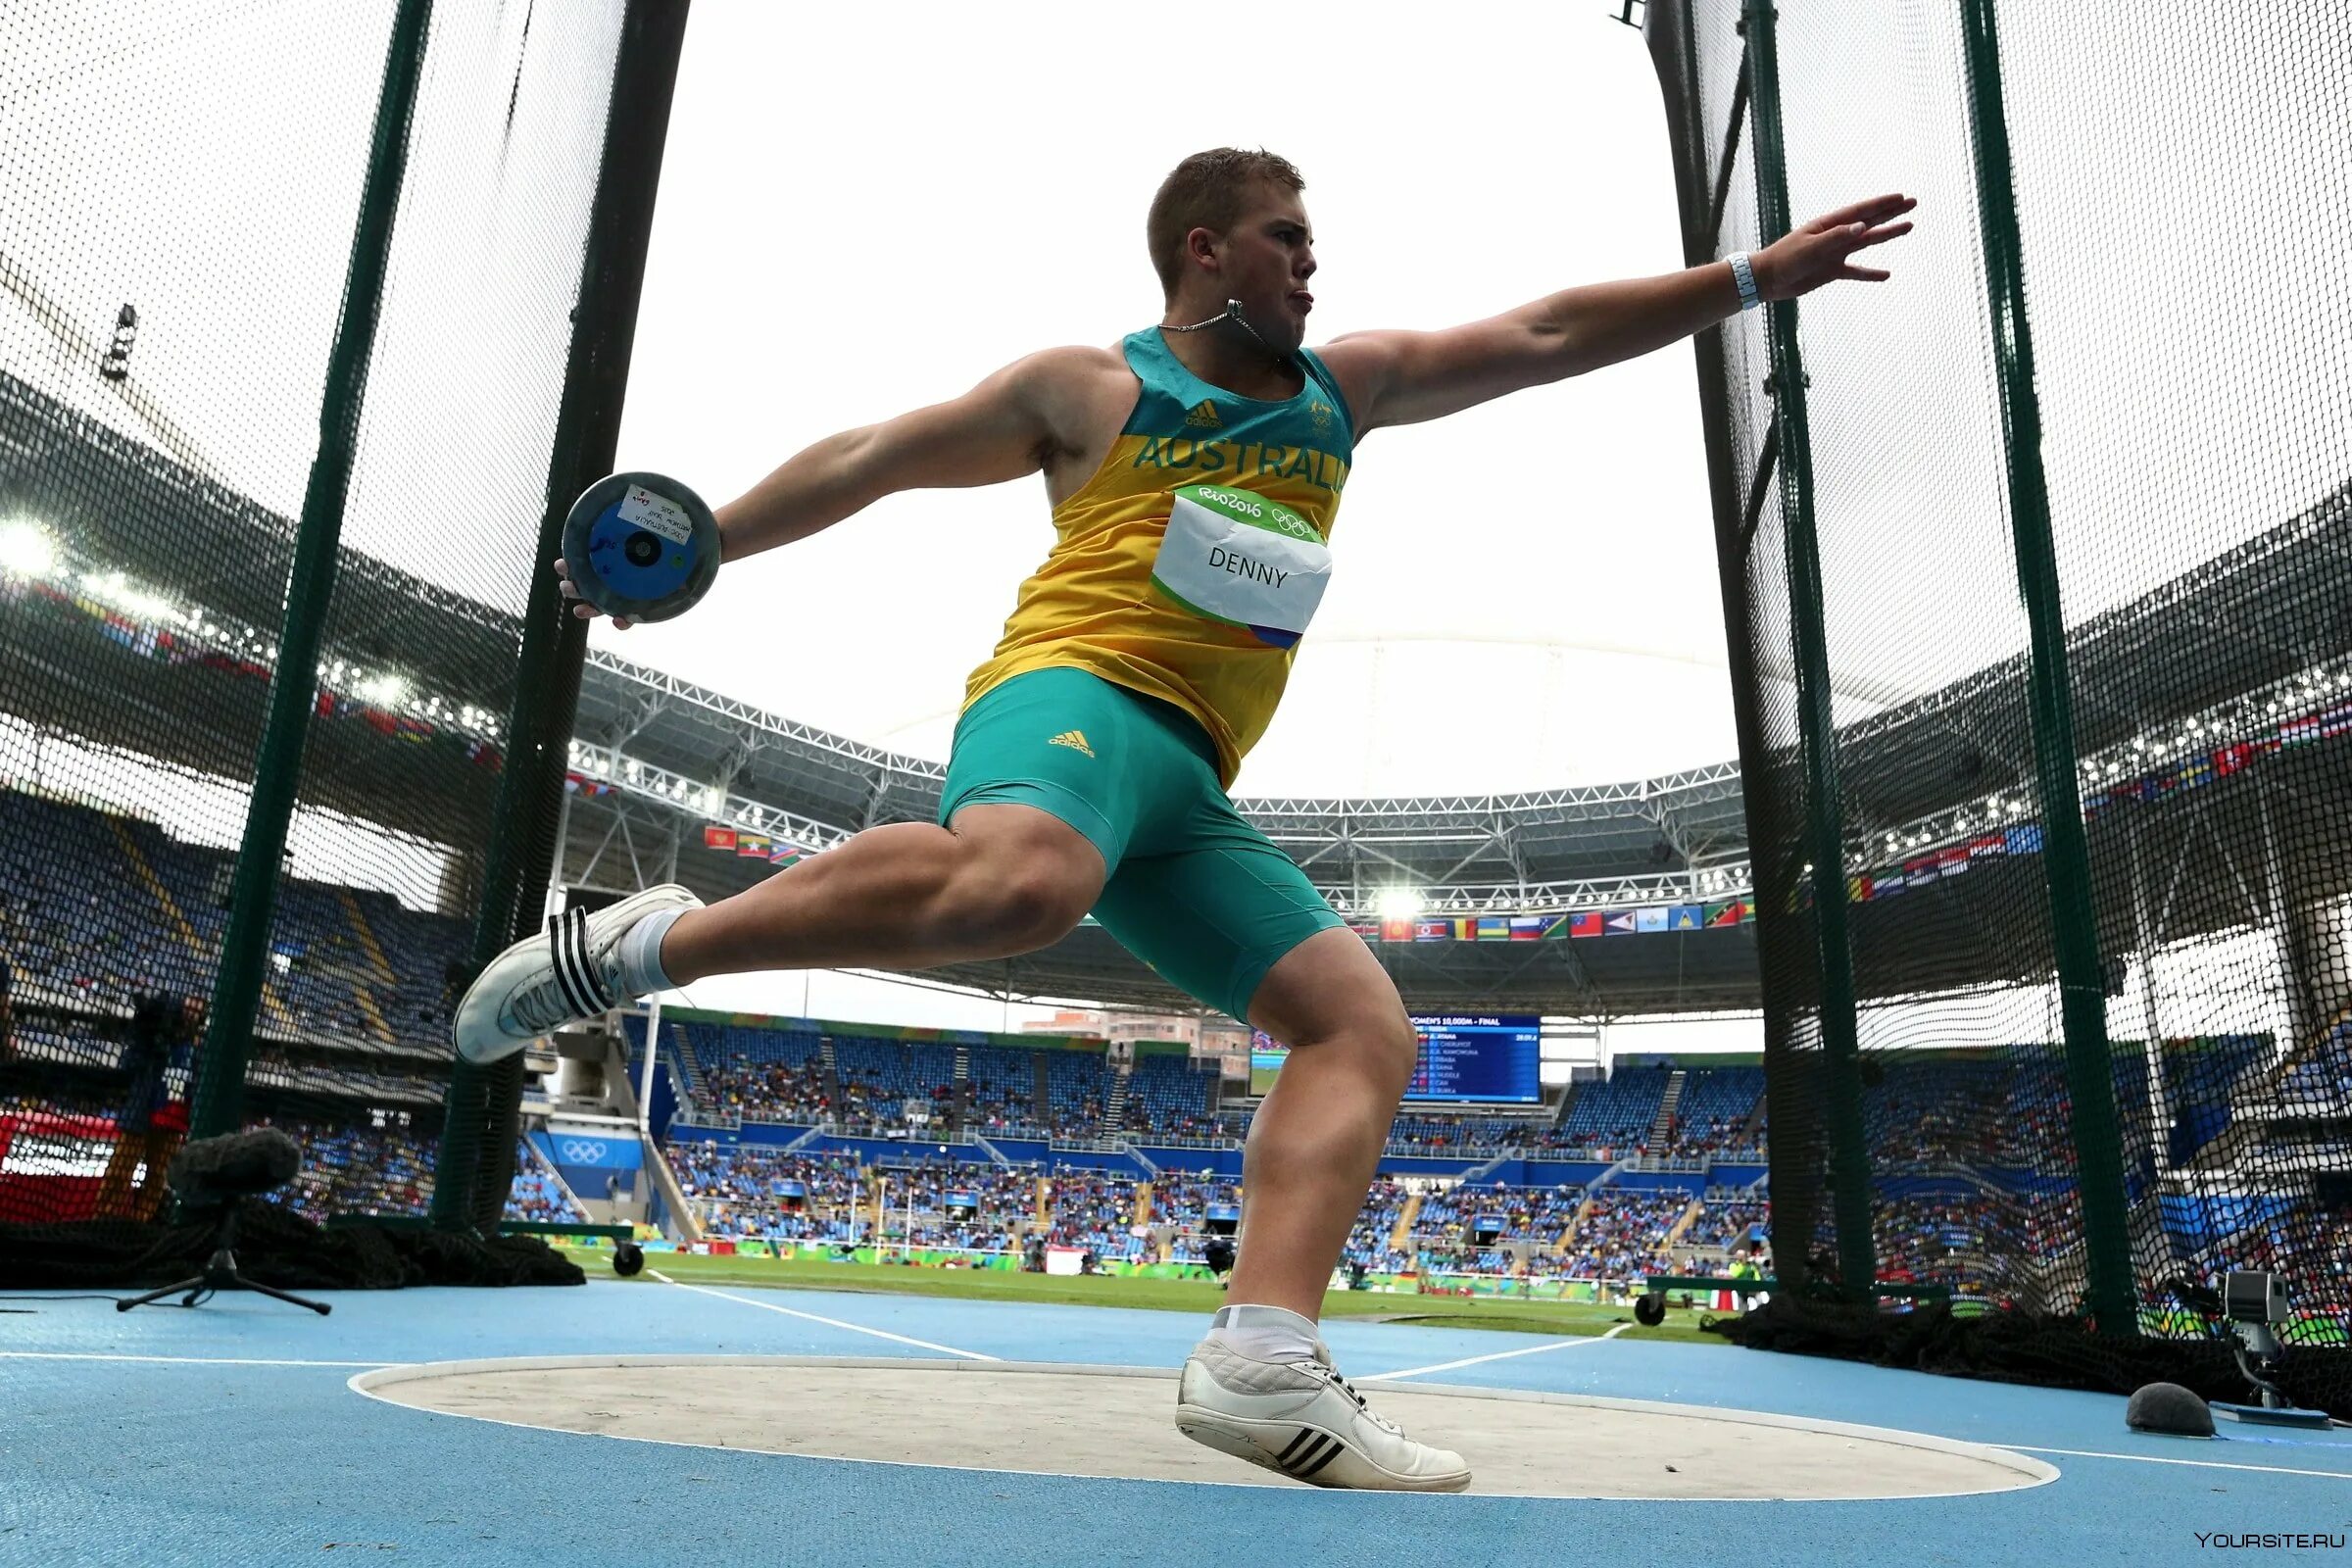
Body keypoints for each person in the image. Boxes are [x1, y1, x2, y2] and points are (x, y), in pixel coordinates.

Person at [458, 147, 1912, 1491]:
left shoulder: (1347, 387)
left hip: (1190, 785)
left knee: (1366, 1027)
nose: (1313, 268)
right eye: (1291, 239)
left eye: (1316, 245)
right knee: (1023, 882)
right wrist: (710, 535)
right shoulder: (1093, 389)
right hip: (1068, 697)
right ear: (1207, 250)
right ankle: (645, 945)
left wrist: (1743, 281)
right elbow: (880, 452)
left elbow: (1542, 334)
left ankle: (1262, 1363)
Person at [95, 991, 206, 1223]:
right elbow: (129, 1063)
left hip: (174, 1120)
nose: (191, 1015)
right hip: (144, 1112)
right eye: (188, 1009)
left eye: (196, 1011)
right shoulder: (158, 1038)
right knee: (120, 1171)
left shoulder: (199, 1048)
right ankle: (104, 1218)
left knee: (157, 1178)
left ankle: (141, 1222)